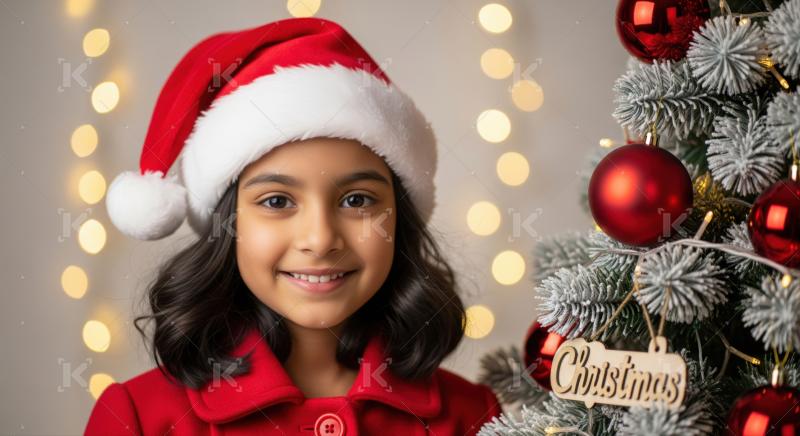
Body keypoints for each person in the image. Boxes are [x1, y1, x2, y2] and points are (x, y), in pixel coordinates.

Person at [85, 17, 502, 435]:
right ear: (228, 225)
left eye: (356, 200)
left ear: (399, 218)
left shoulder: (472, 416)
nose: (320, 240)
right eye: (277, 201)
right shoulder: (138, 417)